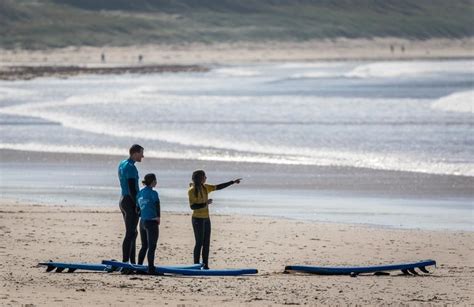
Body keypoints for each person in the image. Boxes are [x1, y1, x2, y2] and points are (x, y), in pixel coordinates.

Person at [188, 170, 241, 269]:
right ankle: (195, 266)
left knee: (206, 243)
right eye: (204, 176)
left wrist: (232, 182)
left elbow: (218, 187)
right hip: (197, 219)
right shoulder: (191, 190)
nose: (206, 178)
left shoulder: (205, 187)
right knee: (199, 243)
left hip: (206, 219)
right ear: (200, 178)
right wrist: (205, 203)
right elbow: (192, 207)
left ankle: (205, 265)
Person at [118, 144, 144, 266]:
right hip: (130, 200)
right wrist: (137, 205)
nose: (142, 156)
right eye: (141, 153)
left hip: (123, 200)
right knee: (130, 233)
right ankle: (126, 263)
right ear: (134, 153)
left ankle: (131, 262)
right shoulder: (131, 168)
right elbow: (132, 188)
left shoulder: (122, 163)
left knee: (133, 232)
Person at [137, 173, 161, 275]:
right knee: (152, 246)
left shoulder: (140, 192)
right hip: (151, 221)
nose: (156, 182)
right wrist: (158, 217)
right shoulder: (153, 193)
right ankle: (151, 268)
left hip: (142, 222)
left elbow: (138, 208)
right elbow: (157, 205)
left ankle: (139, 267)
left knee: (144, 246)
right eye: (155, 180)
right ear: (152, 181)